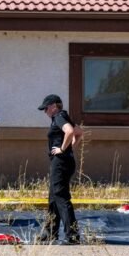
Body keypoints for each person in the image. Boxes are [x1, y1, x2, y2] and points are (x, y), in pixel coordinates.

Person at [37, 94, 83, 245]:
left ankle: (72, 236)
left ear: (53, 106)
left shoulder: (59, 117)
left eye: (46, 108)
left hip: (61, 162)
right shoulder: (64, 116)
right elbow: (79, 132)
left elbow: (70, 131)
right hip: (64, 161)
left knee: (61, 197)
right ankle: (51, 232)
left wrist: (63, 149)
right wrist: (69, 149)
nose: (45, 112)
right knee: (54, 197)